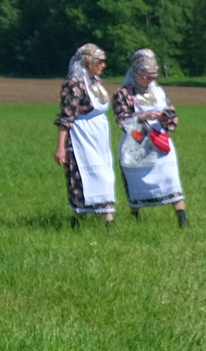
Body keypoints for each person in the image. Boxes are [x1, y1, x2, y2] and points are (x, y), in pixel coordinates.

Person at [114, 49, 189, 227]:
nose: (149, 80)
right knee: (135, 181)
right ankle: (135, 218)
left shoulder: (159, 91)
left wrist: (169, 118)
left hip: (159, 141)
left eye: (152, 77)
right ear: (135, 73)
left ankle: (182, 219)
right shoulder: (123, 93)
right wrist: (146, 116)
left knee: (170, 178)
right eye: (145, 77)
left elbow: (170, 110)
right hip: (137, 141)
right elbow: (121, 120)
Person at [54, 43, 115, 225]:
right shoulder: (74, 84)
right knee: (84, 178)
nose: (103, 65)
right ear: (88, 62)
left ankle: (97, 220)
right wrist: (60, 148)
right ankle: (88, 221)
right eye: (100, 61)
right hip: (81, 138)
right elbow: (66, 117)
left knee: (104, 176)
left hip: (98, 139)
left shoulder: (95, 83)